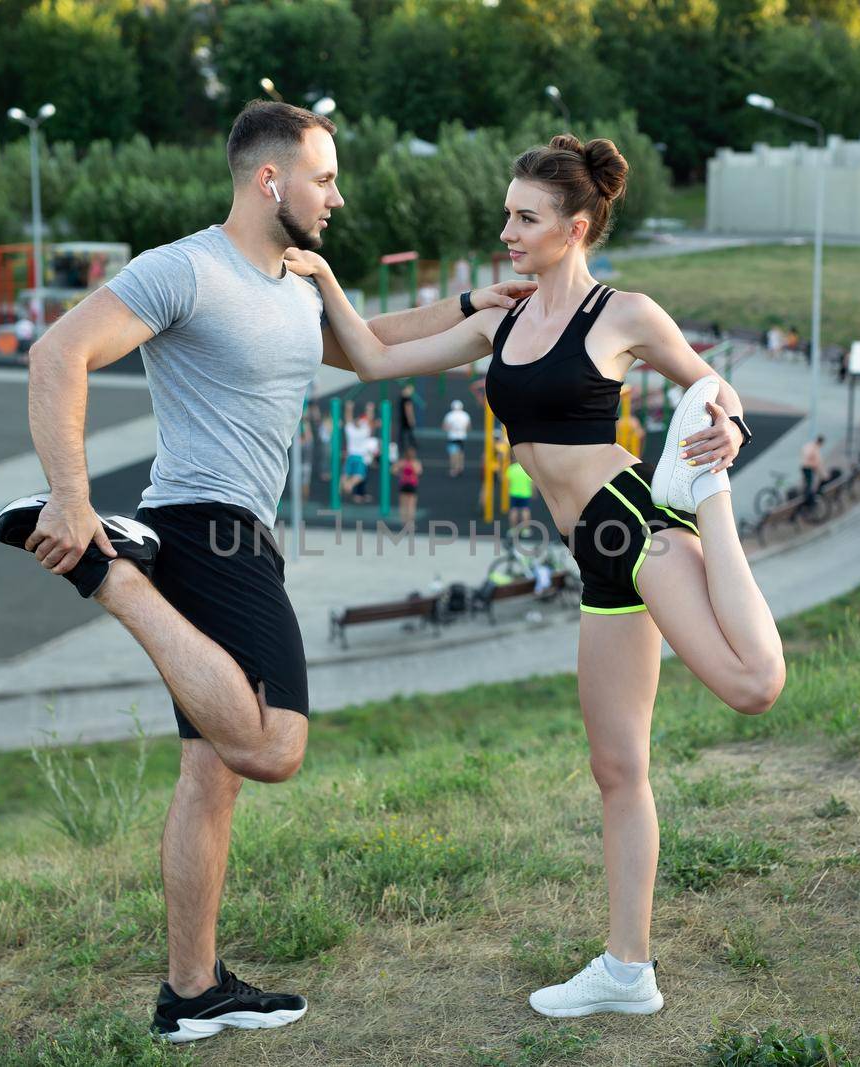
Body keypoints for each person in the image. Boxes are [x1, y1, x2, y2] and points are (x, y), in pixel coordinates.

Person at [0, 99, 534, 1046]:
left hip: (234, 532)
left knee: (212, 770)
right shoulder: (186, 268)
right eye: (325, 177)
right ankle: (109, 576)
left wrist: (473, 310)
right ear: (269, 179)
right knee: (273, 746)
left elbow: (368, 347)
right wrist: (69, 502)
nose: (339, 195)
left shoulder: (293, 283)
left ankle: (190, 992)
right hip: (203, 525)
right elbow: (58, 351)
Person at [284, 132, 784, 1021]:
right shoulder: (500, 320)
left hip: (634, 524)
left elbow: (717, 388)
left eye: (526, 217)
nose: (507, 231)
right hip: (594, 562)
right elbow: (366, 357)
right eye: (507, 214)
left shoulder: (625, 313)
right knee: (616, 766)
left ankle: (704, 495)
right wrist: (323, 280)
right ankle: (628, 970)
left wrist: (728, 434)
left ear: (577, 225)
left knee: (753, 683)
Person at [343, 409, 374, 503]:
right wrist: (370, 409)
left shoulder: (350, 430)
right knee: (360, 476)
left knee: (347, 474)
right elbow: (369, 420)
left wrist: (349, 408)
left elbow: (348, 419)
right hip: (360, 457)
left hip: (351, 456)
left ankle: (344, 486)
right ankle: (348, 485)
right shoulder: (364, 431)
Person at [441, 399, 471, 476]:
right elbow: (468, 427)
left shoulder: (449, 415)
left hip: (452, 436)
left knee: (453, 453)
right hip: (462, 436)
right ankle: (460, 467)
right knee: (461, 452)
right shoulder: (465, 415)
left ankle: (454, 469)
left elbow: (444, 427)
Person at [395, 449, 422, 530]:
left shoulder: (402, 462)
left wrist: (400, 474)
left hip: (403, 483)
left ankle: (403, 522)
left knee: (403, 504)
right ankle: (410, 523)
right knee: (411, 505)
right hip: (412, 484)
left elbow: (393, 470)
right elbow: (419, 472)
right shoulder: (415, 463)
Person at [506, 458, 533, 530]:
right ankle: (526, 529)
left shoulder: (511, 468)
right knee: (525, 510)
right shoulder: (526, 469)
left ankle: (513, 528)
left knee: (513, 510)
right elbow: (531, 483)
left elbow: (508, 482)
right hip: (525, 493)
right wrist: (533, 492)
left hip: (513, 493)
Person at [800, 435, 825, 504]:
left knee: (808, 482)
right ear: (820, 442)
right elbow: (809, 456)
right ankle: (808, 499)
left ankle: (806, 496)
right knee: (809, 483)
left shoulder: (810, 445)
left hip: (806, 466)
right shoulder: (814, 448)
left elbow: (803, 450)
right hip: (808, 467)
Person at [397, 382, 420, 453]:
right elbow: (409, 410)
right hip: (406, 419)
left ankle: (402, 445)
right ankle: (412, 445)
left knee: (403, 433)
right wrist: (411, 419)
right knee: (409, 433)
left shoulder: (402, 398)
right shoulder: (407, 399)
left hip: (402, 418)